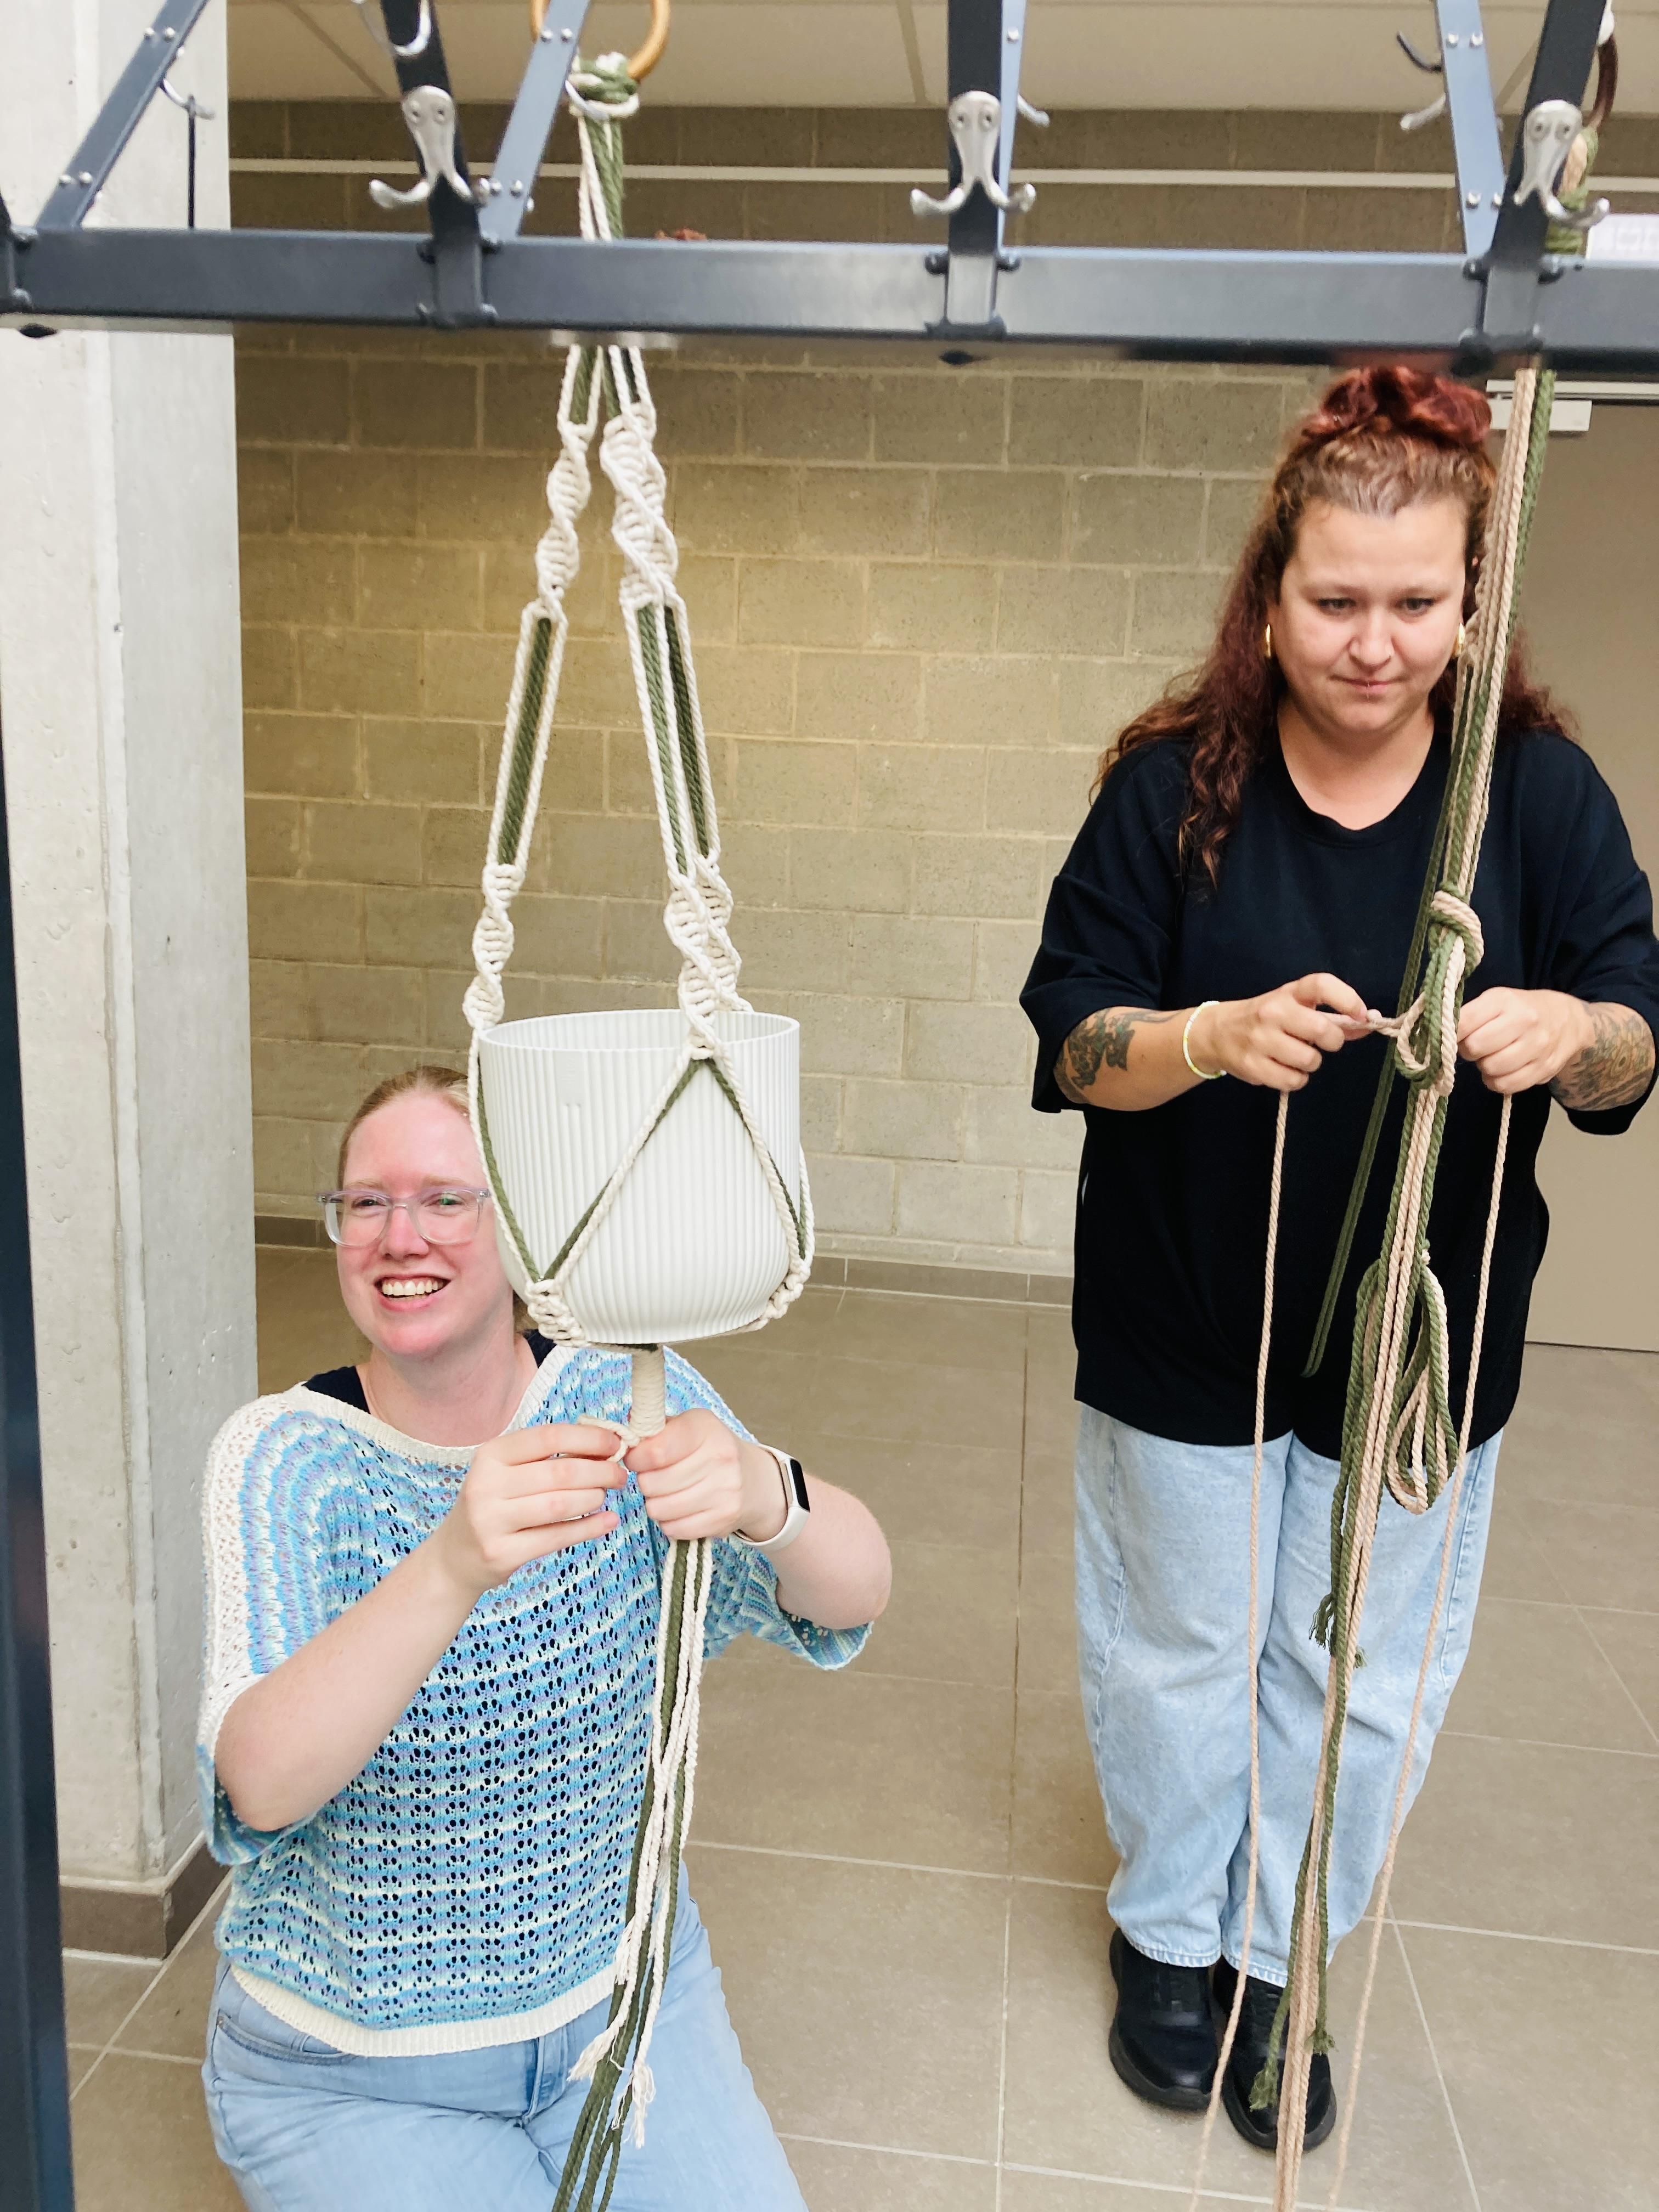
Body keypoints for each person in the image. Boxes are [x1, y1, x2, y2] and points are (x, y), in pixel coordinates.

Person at [1020, 368, 1659, 2154]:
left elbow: (1636, 1036)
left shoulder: (1527, 802)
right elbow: (1069, 1038)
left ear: (1471, 602)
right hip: (1179, 1322)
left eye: (1414, 603)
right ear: (1268, 589)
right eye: (1333, 601)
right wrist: (1204, 1038)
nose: (1373, 644)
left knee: (1358, 1673)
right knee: (1180, 1647)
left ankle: (1279, 1948)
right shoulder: (1173, 793)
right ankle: (1168, 1940)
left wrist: (1565, 1033)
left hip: (1412, 1356)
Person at [196, 1065, 891, 2211]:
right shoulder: (285, 1458)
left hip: (622, 2006)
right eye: (363, 1203)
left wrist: (771, 1491)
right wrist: (453, 1563)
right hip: (354, 2071)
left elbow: (852, 1593)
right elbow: (262, 1784)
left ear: (523, 1232)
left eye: (444, 1199)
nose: (397, 1233)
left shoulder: (622, 1402)